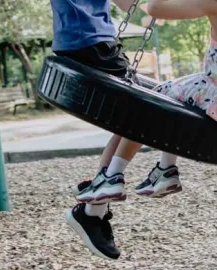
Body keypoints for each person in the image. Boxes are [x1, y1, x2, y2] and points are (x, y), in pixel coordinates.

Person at [67, 0, 217, 260]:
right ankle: (165, 170)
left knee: (151, 99)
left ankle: (111, 175)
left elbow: (155, 8)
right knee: (177, 98)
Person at [50, 0, 146, 260]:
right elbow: (129, 4)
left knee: (131, 120)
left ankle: (95, 210)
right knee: (147, 111)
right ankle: (92, 211)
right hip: (92, 42)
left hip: (77, 41)